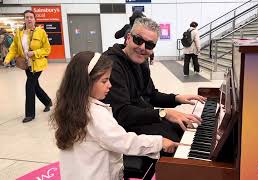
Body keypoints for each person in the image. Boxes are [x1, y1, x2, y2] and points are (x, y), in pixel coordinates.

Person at [50, 51, 178, 180]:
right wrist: (159, 142)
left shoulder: (69, 106)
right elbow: (124, 142)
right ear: (86, 82)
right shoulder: (96, 114)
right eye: (104, 81)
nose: (110, 85)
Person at [102, 18, 206, 146]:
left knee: (186, 127)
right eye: (138, 40)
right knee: (178, 140)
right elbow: (122, 114)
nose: (142, 48)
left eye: (149, 45)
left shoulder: (141, 61)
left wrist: (177, 98)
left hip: (141, 118)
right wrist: (164, 113)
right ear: (128, 37)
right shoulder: (111, 65)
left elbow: (151, 95)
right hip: (124, 129)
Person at [3, 10, 52, 123]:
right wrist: (7, 59)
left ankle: (30, 114)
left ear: (35, 19)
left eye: (31, 17)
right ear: (24, 20)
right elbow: (14, 48)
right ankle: (47, 101)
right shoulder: (19, 33)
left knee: (29, 86)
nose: (29, 19)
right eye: (27, 17)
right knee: (35, 86)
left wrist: (34, 53)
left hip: (38, 64)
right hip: (26, 65)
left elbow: (47, 49)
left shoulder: (41, 32)